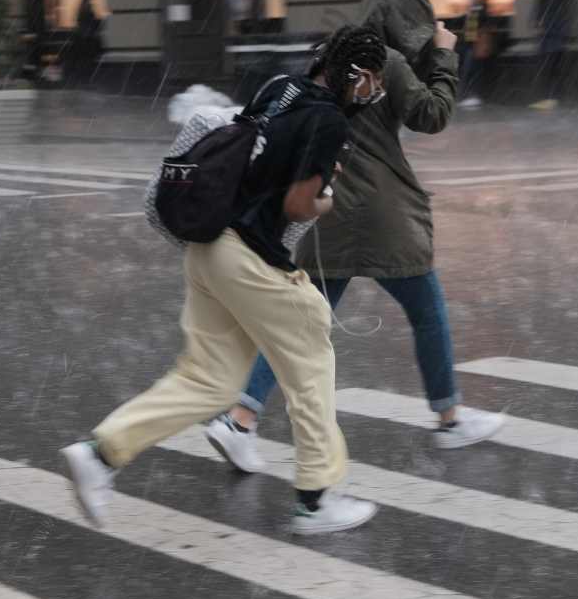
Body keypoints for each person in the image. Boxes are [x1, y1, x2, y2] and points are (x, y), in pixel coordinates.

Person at [62, 26, 391, 536]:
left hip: (209, 246)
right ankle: (318, 498)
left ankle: (101, 453)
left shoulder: (280, 88)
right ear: (356, 75)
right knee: (310, 356)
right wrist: (328, 199)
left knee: (208, 377)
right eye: (371, 82)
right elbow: (298, 204)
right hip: (250, 254)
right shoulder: (328, 121)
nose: (371, 93)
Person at [205, 0, 506, 474]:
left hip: (326, 203)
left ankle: (240, 420)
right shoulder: (387, 60)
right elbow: (431, 115)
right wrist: (446, 55)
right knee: (427, 311)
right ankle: (450, 418)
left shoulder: (334, 54)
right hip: (381, 213)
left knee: (298, 323)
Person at [530, 0, 572, 111]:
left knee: (549, 74)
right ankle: (557, 98)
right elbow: (564, 29)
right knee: (555, 73)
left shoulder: (547, 10)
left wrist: (542, 29)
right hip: (557, 47)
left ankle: (551, 98)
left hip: (548, 47)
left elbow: (549, 29)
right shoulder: (561, 8)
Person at [457, 0, 488, 109]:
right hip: (469, 43)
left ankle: (473, 96)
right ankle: (469, 95)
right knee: (467, 69)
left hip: (475, 43)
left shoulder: (480, 7)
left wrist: (473, 8)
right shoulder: (473, 7)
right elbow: (466, 22)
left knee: (471, 69)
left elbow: (481, 22)